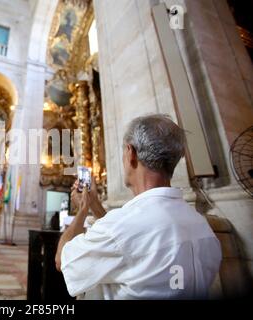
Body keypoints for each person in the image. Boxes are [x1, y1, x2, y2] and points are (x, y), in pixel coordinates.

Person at [55, 114, 222, 300]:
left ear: (131, 153)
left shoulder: (119, 229)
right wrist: (94, 204)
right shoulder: (202, 227)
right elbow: (124, 239)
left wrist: (83, 209)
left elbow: (62, 260)